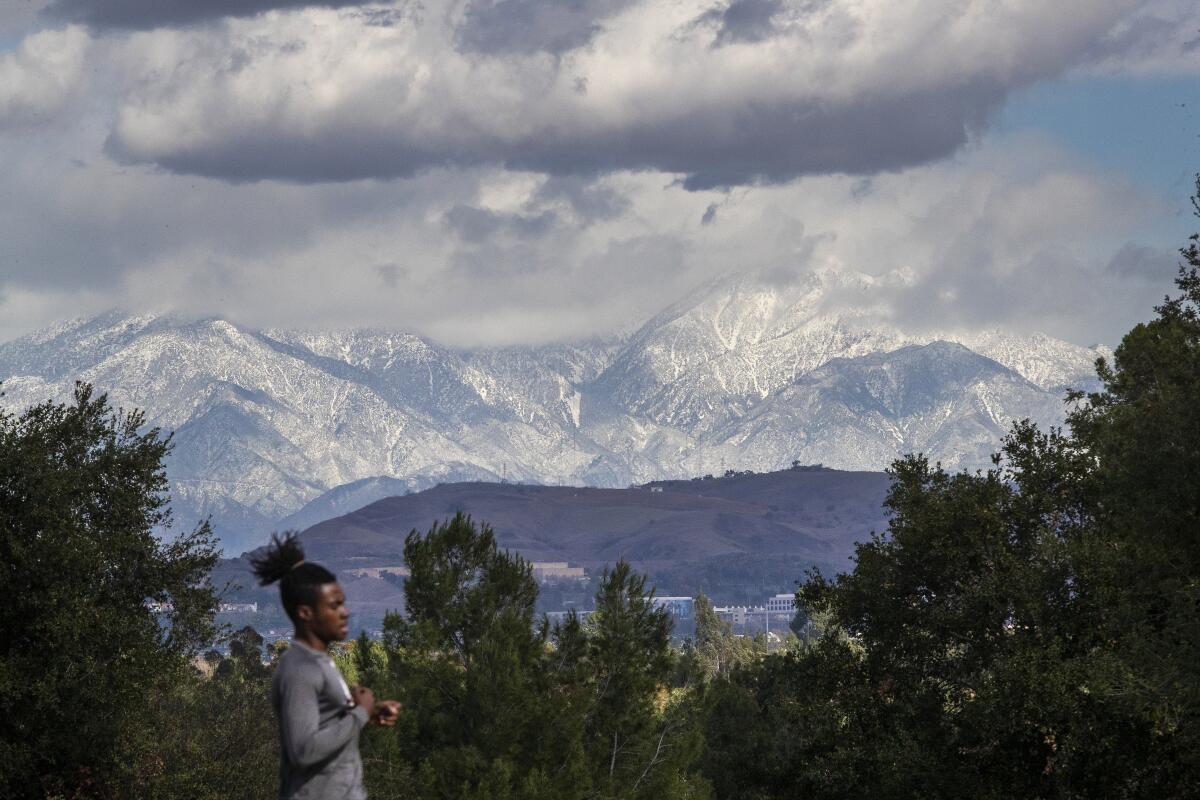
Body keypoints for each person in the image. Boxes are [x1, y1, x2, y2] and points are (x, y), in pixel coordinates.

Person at [251, 532, 401, 800]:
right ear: (306, 613)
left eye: (342, 603)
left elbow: (325, 725)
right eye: (334, 605)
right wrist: (360, 715)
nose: (345, 612)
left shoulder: (319, 661)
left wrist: (366, 712)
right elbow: (304, 750)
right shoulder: (300, 670)